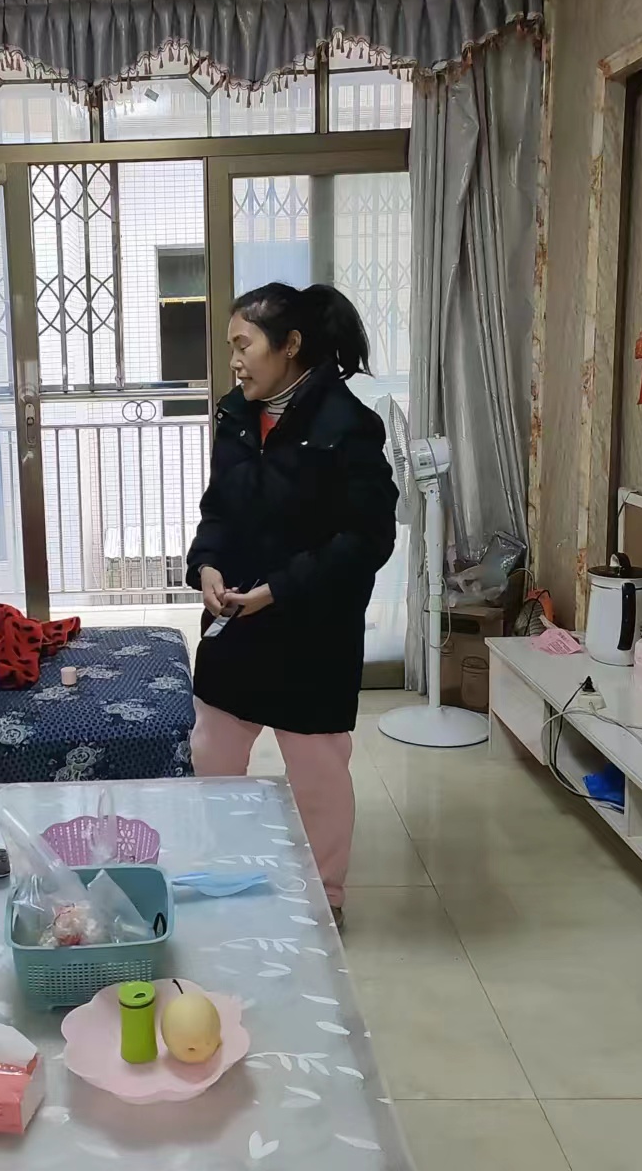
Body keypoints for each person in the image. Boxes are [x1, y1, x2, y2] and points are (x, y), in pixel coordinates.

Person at [185, 283, 399, 923]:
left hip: (313, 628)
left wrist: (279, 589)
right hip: (236, 618)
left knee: (318, 770)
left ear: (291, 345)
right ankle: (223, 871)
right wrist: (207, 566)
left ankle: (324, 898)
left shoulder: (348, 425)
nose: (234, 360)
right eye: (231, 347)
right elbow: (218, 510)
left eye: (243, 344)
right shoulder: (235, 415)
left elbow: (368, 538)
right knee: (213, 750)